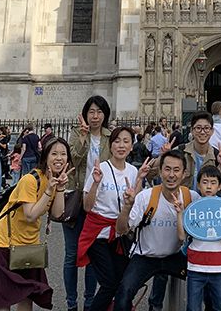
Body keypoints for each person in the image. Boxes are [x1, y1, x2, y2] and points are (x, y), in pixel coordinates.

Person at [0, 137, 71, 311]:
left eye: (63, 154)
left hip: (29, 244)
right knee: (3, 299)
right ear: (45, 156)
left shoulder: (53, 180)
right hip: (5, 243)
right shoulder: (30, 179)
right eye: (54, 153)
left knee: (27, 295)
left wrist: (60, 188)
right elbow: (30, 215)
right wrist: (49, 190)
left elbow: (57, 213)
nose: (59, 158)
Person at [116, 151, 200, 311]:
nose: (171, 175)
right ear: (160, 172)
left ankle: (156, 305)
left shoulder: (192, 198)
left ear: (184, 174)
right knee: (124, 293)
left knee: (207, 282)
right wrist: (127, 207)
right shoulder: (145, 197)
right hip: (146, 256)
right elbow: (121, 230)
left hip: (176, 255)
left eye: (176, 170)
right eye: (167, 169)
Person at [77, 126, 150, 311]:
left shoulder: (133, 171)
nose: (121, 145)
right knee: (109, 284)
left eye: (126, 141)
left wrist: (140, 179)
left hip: (119, 234)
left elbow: (134, 203)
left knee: (122, 282)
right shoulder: (100, 168)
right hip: (98, 234)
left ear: (132, 146)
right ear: (110, 146)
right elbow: (87, 207)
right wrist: (95, 183)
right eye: (117, 141)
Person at [173, 164, 221, 311]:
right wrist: (180, 213)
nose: (209, 186)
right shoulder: (193, 208)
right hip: (195, 265)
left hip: (218, 266)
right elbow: (181, 236)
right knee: (193, 307)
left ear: (219, 186)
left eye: (213, 182)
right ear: (198, 185)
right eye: (205, 182)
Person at [65, 95, 111, 311]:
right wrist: (83, 137)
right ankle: (71, 303)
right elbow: (73, 160)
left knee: (93, 254)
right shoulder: (76, 134)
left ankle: (90, 302)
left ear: (105, 114)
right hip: (76, 199)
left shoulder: (110, 137)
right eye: (91, 111)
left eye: (99, 112)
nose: (95, 116)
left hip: (98, 202)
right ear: (85, 114)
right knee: (71, 254)